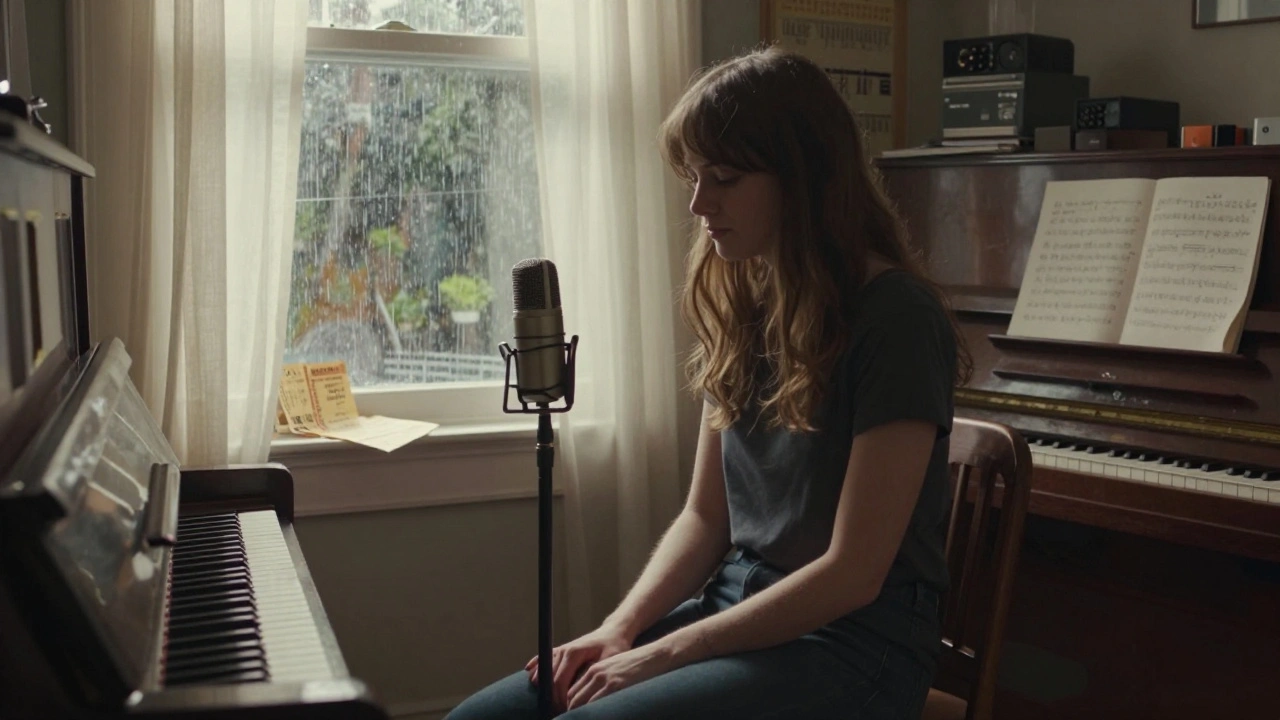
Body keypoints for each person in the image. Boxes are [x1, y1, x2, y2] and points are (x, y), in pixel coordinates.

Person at [445, 45, 972, 720]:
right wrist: (621, 629)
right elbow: (705, 517)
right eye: (694, 176)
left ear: (801, 178)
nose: (698, 202)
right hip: (738, 611)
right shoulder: (748, 303)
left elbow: (853, 573)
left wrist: (665, 654)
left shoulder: (895, 318)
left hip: (850, 647)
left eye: (722, 177)